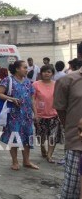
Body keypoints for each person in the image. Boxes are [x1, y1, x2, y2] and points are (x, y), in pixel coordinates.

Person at [0, 60, 38, 171]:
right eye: (24, 67)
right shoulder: (7, 80)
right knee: (14, 138)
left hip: (27, 115)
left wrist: (35, 113)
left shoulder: (29, 82)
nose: (26, 69)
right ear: (17, 69)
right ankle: (15, 162)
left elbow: (32, 99)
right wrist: (11, 98)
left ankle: (26, 161)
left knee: (27, 138)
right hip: (13, 115)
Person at [54, 45, 82, 199]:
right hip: (77, 142)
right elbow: (60, 109)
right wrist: (71, 127)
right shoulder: (68, 80)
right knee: (72, 189)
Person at [33, 65, 62, 163]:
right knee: (41, 135)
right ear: (41, 73)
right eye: (44, 72)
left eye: (49, 72)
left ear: (52, 74)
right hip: (40, 115)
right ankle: (42, 146)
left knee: (53, 136)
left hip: (54, 114)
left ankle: (49, 155)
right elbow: (32, 99)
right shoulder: (36, 84)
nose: (46, 74)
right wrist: (35, 114)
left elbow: (60, 99)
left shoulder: (56, 84)